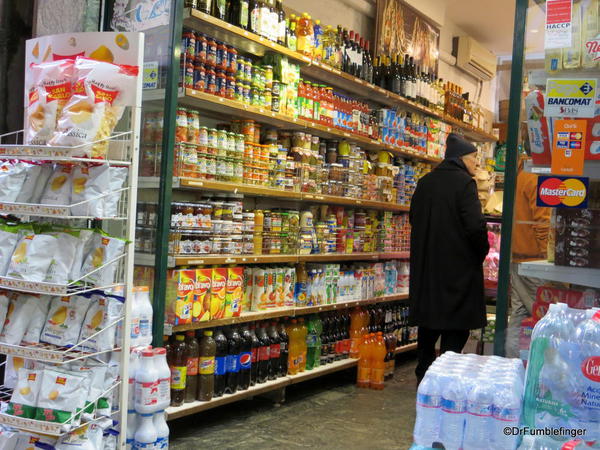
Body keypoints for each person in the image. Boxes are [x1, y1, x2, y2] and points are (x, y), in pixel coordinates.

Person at [409, 133, 489, 385]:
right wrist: (480, 252)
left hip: (427, 268)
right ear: (461, 158)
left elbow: (414, 218)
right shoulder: (465, 184)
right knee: (455, 329)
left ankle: (423, 372)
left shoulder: (425, 182)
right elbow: (475, 227)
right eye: (474, 157)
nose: (477, 162)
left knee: (429, 324)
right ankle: (444, 377)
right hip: (458, 269)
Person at [504, 151, 550, 358]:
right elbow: (542, 220)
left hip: (518, 256)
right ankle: (541, 369)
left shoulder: (523, 171)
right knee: (544, 318)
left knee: (519, 314)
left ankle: (512, 365)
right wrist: (547, 255)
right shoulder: (539, 174)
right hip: (535, 259)